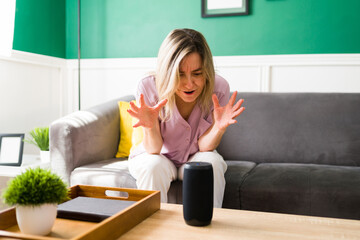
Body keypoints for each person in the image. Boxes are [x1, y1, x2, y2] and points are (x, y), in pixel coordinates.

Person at [127, 28, 245, 208]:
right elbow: (154, 149)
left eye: (197, 74)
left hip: (194, 156)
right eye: (180, 74)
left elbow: (205, 147)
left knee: (211, 163)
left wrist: (218, 128)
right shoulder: (148, 87)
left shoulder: (218, 87)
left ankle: (205, 232)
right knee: (153, 167)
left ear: (206, 71)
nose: (189, 84)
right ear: (167, 72)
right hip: (156, 154)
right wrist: (150, 127)